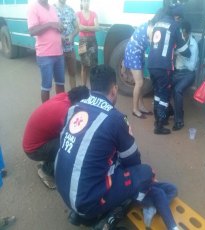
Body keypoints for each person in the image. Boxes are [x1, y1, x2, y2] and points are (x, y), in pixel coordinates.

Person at [55, 65, 179, 230]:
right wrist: (141, 180)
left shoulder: (74, 108)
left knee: (107, 163)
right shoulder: (115, 119)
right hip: (86, 202)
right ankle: (108, 220)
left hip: (63, 188)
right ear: (114, 90)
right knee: (144, 173)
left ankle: (81, 211)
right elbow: (133, 160)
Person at [22, 86, 89, 189]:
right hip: (33, 150)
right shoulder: (66, 112)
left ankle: (48, 158)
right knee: (70, 144)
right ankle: (46, 171)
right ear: (78, 102)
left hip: (33, 142)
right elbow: (75, 135)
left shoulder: (63, 96)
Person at [147, 3, 191, 135]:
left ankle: (157, 119)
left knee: (157, 92)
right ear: (176, 16)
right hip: (163, 66)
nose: (179, 21)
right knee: (164, 95)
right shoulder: (174, 25)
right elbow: (183, 49)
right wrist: (188, 53)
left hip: (151, 64)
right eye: (179, 18)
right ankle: (160, 125)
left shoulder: (158, 23)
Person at [124, 9, 166, 119]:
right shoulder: (153, 29)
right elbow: (154, 47)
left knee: (140, 82)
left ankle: (141, 106)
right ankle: (135, 109)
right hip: (134, 52)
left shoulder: (151, 24)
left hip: (138, 52)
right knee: (139, 82)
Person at [27, 0, 65, 103]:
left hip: (59, 52)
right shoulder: (33, 7)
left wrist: (59, 28)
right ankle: (45, 112)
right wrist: (50, 24)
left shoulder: (52, 8)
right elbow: (32, 31)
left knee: (60, 83)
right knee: (46, 86)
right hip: (45, 55)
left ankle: (60, 108)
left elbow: (55, 26)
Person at [172, 21, 199, 131]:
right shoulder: (178, 40)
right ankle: (170, 111)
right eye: (181, 33)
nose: (182, 36)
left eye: (184, 34)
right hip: (178, 72)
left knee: (177, 90)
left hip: (188, 74)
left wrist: (180, 54)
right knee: (164, 85)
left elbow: (192, 67)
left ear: (188, 33)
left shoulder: (193, 45)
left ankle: (179, 120)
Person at [55, 0, 79, 89]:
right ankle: (61, 98)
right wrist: (59, 36)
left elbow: (77, 27)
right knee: (59, 77)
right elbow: (49, 28)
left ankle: (74, 96)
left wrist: (72, 35)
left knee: (72, 73)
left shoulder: (70, 10)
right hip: (57, 50)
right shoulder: (52, 10)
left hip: (70, 49)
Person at [76, 0, 99, 87]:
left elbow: (97, 28)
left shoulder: (94, 14)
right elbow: (79, 28)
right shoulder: (78, 14)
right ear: (81, 3)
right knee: (84, 66)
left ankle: (93, 88)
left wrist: (84, 27)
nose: (86, 3)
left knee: (94, 66)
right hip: (82, 42)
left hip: (93, 41)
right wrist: (91, 28)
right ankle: (84, 87)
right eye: (84, 1)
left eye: (88, 1)